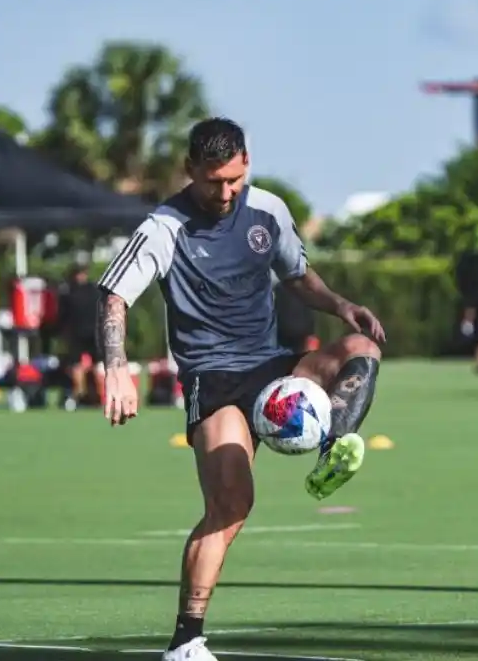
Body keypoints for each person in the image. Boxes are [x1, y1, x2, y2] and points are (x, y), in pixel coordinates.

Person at [94, 117, 385, 661]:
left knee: (360, 350)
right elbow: (113, 296)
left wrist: (342, 305)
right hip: (216, 382)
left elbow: (297, 275)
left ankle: (331, 447)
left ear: (246, 162)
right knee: (230, 506)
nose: (224, 192)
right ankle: (186, 642)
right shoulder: (164, 226)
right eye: (212, 182)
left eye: (232, 179)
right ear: (190, 171)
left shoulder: (267, 211)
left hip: (274, 369)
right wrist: (116, 366)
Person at [57, 264, 101, 405]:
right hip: (82, 332)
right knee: (79, 366)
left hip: (86, 332)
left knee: (86, 366)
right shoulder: (94, 290)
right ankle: (83, 395)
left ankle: (90, 395)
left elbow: (62, 315)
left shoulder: (68, 291)